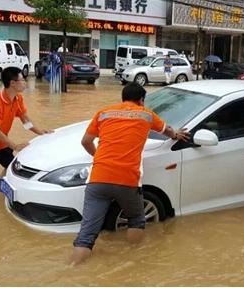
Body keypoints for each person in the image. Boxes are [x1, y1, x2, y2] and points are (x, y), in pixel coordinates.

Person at [69, 83, 190, 265]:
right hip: (126, 180)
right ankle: (132, 260)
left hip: (98, 179)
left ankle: (72, 268)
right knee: (136, 219)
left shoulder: (104, 113)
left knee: (86, 235)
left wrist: (99, 158)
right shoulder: (146, 114)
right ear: (141, 100)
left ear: (122, 98)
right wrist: (177, 135)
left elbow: (85, 141)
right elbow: (168, 131)